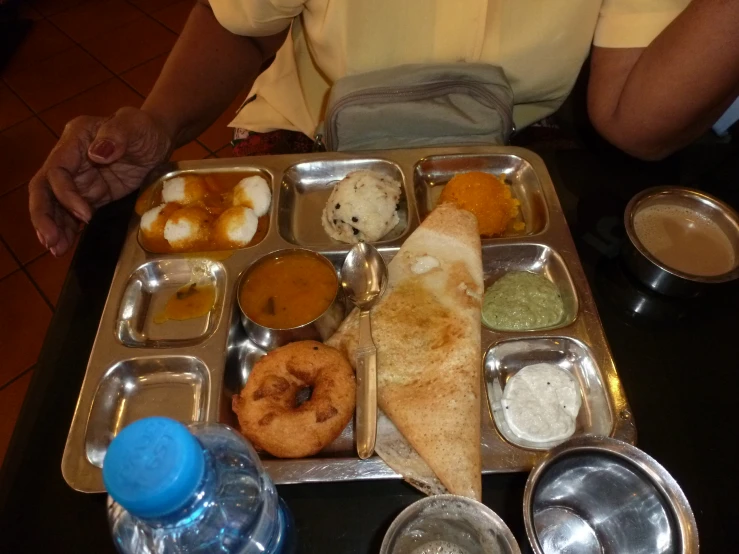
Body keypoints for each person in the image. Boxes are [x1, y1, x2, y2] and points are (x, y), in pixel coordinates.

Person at [29, 0, 739, 257]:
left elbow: (635, 123)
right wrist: (155, 120)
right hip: (310, 136)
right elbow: (239, 25)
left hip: (514, 143)